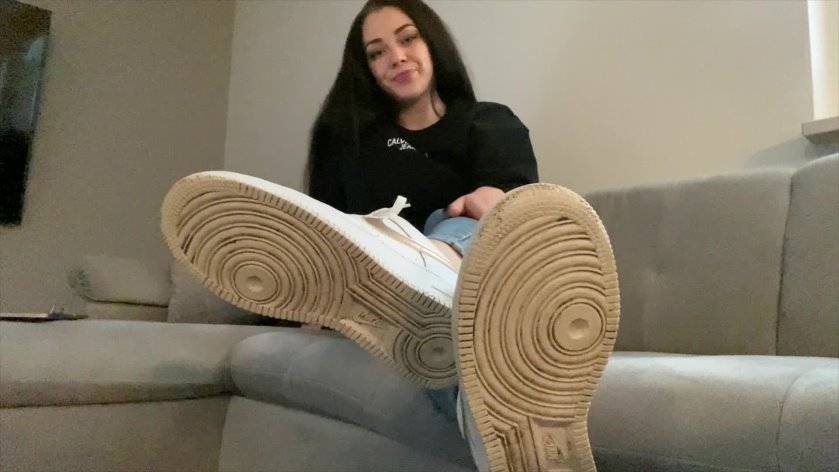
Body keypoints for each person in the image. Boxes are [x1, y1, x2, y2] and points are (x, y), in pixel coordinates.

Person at [160, 1, 620, 471]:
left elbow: (519, 217)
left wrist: (489, 200)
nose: (396, 57)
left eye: (407, 38)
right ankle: (418, 300)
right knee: (437, 332)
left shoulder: (489, 123)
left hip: (480, 273)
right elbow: (329, 230)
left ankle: (422, 267)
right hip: (396, 303)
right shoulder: (348, 141)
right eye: (377, 52)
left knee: (463, 219)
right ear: (366, 69)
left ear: (432, 42)